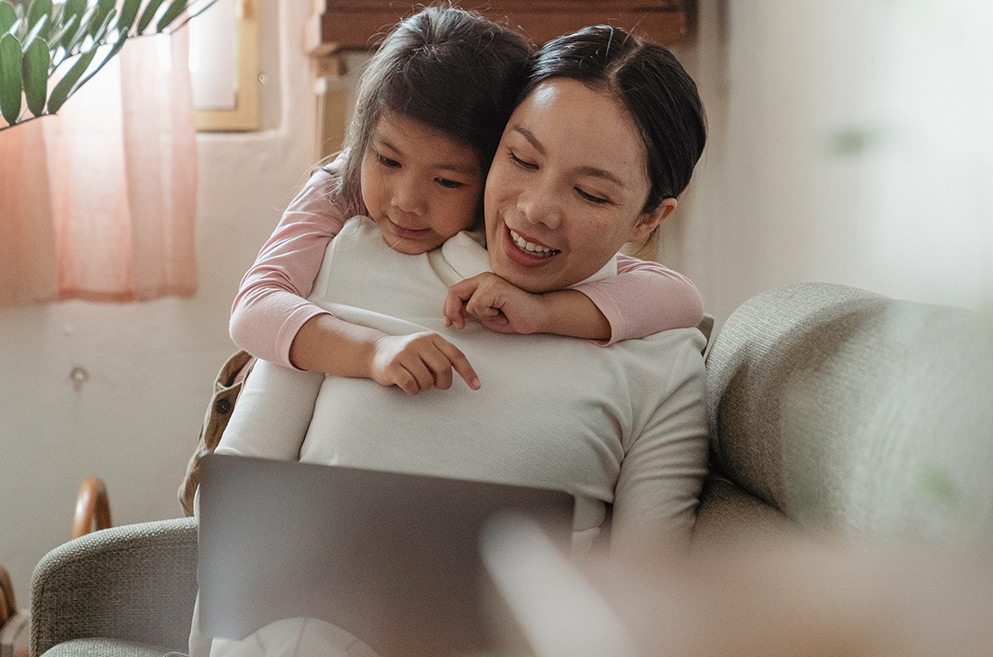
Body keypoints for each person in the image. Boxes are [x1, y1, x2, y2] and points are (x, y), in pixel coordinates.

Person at [194, 16, 711, 657]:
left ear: (650, 217)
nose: (535, 209)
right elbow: (240, 507)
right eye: (521, 160)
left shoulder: (663, 354)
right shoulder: (349, 252)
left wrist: (549, 314)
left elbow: (645, 607)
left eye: (589, 193)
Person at [229, 13, 704, 397]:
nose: (407, 202)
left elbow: (680, 299)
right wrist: (373, 350)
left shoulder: (512, 206)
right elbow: (254, 305)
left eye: (447, 181)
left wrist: (546, 312)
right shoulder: (341, 184)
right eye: (388, 160)